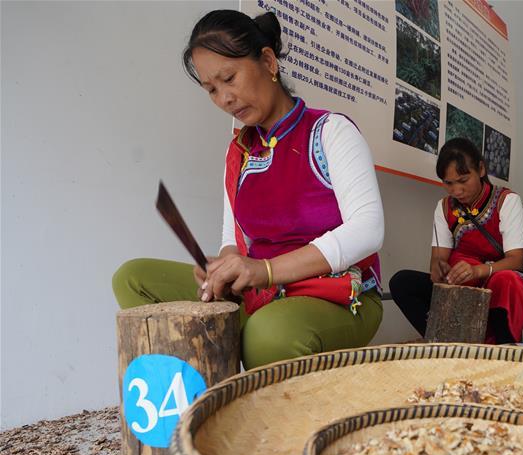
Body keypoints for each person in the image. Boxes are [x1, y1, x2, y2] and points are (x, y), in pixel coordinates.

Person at [112, 10, 384, 370]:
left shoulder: (330, 132)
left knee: (267, 337)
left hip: (337, 294)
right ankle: (202, 395)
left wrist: (265, 270)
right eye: (211, 89)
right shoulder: (238, 151)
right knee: (134, 279)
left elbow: (368, 230)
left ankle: (256, 350)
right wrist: (222, 270)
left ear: (268, 61)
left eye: (230, 78)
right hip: (262, 295)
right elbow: (233, 240)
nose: (225, 98)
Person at [389, 138, 523, 344]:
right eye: (448, 183)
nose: (456, 191)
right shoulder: (443, 207)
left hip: (498, 281)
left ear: (481, 169)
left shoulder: (506, 200)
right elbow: (438, 259)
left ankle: (504, 350)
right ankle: (444, 342)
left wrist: (477, 270)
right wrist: (438, 269)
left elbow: (516, 260)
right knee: (401, 282)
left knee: (506, 280)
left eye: (463, 180)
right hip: (462, 285)